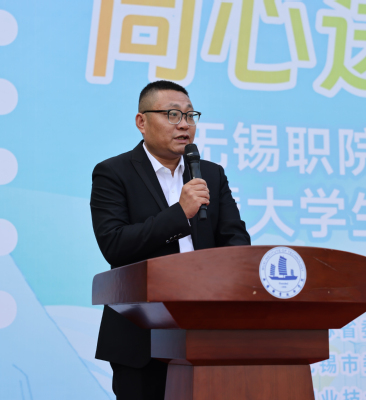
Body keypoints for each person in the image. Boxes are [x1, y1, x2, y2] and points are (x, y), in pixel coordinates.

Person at [90, 80, 251, 400]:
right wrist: (180, 214)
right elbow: (115, 244)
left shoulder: (210, 173)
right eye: (173, 114)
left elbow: (235, 240)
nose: (184, 124)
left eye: (190, 116)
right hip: (140, 334)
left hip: (206, 329)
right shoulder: (113, 173)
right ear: (142, 121)